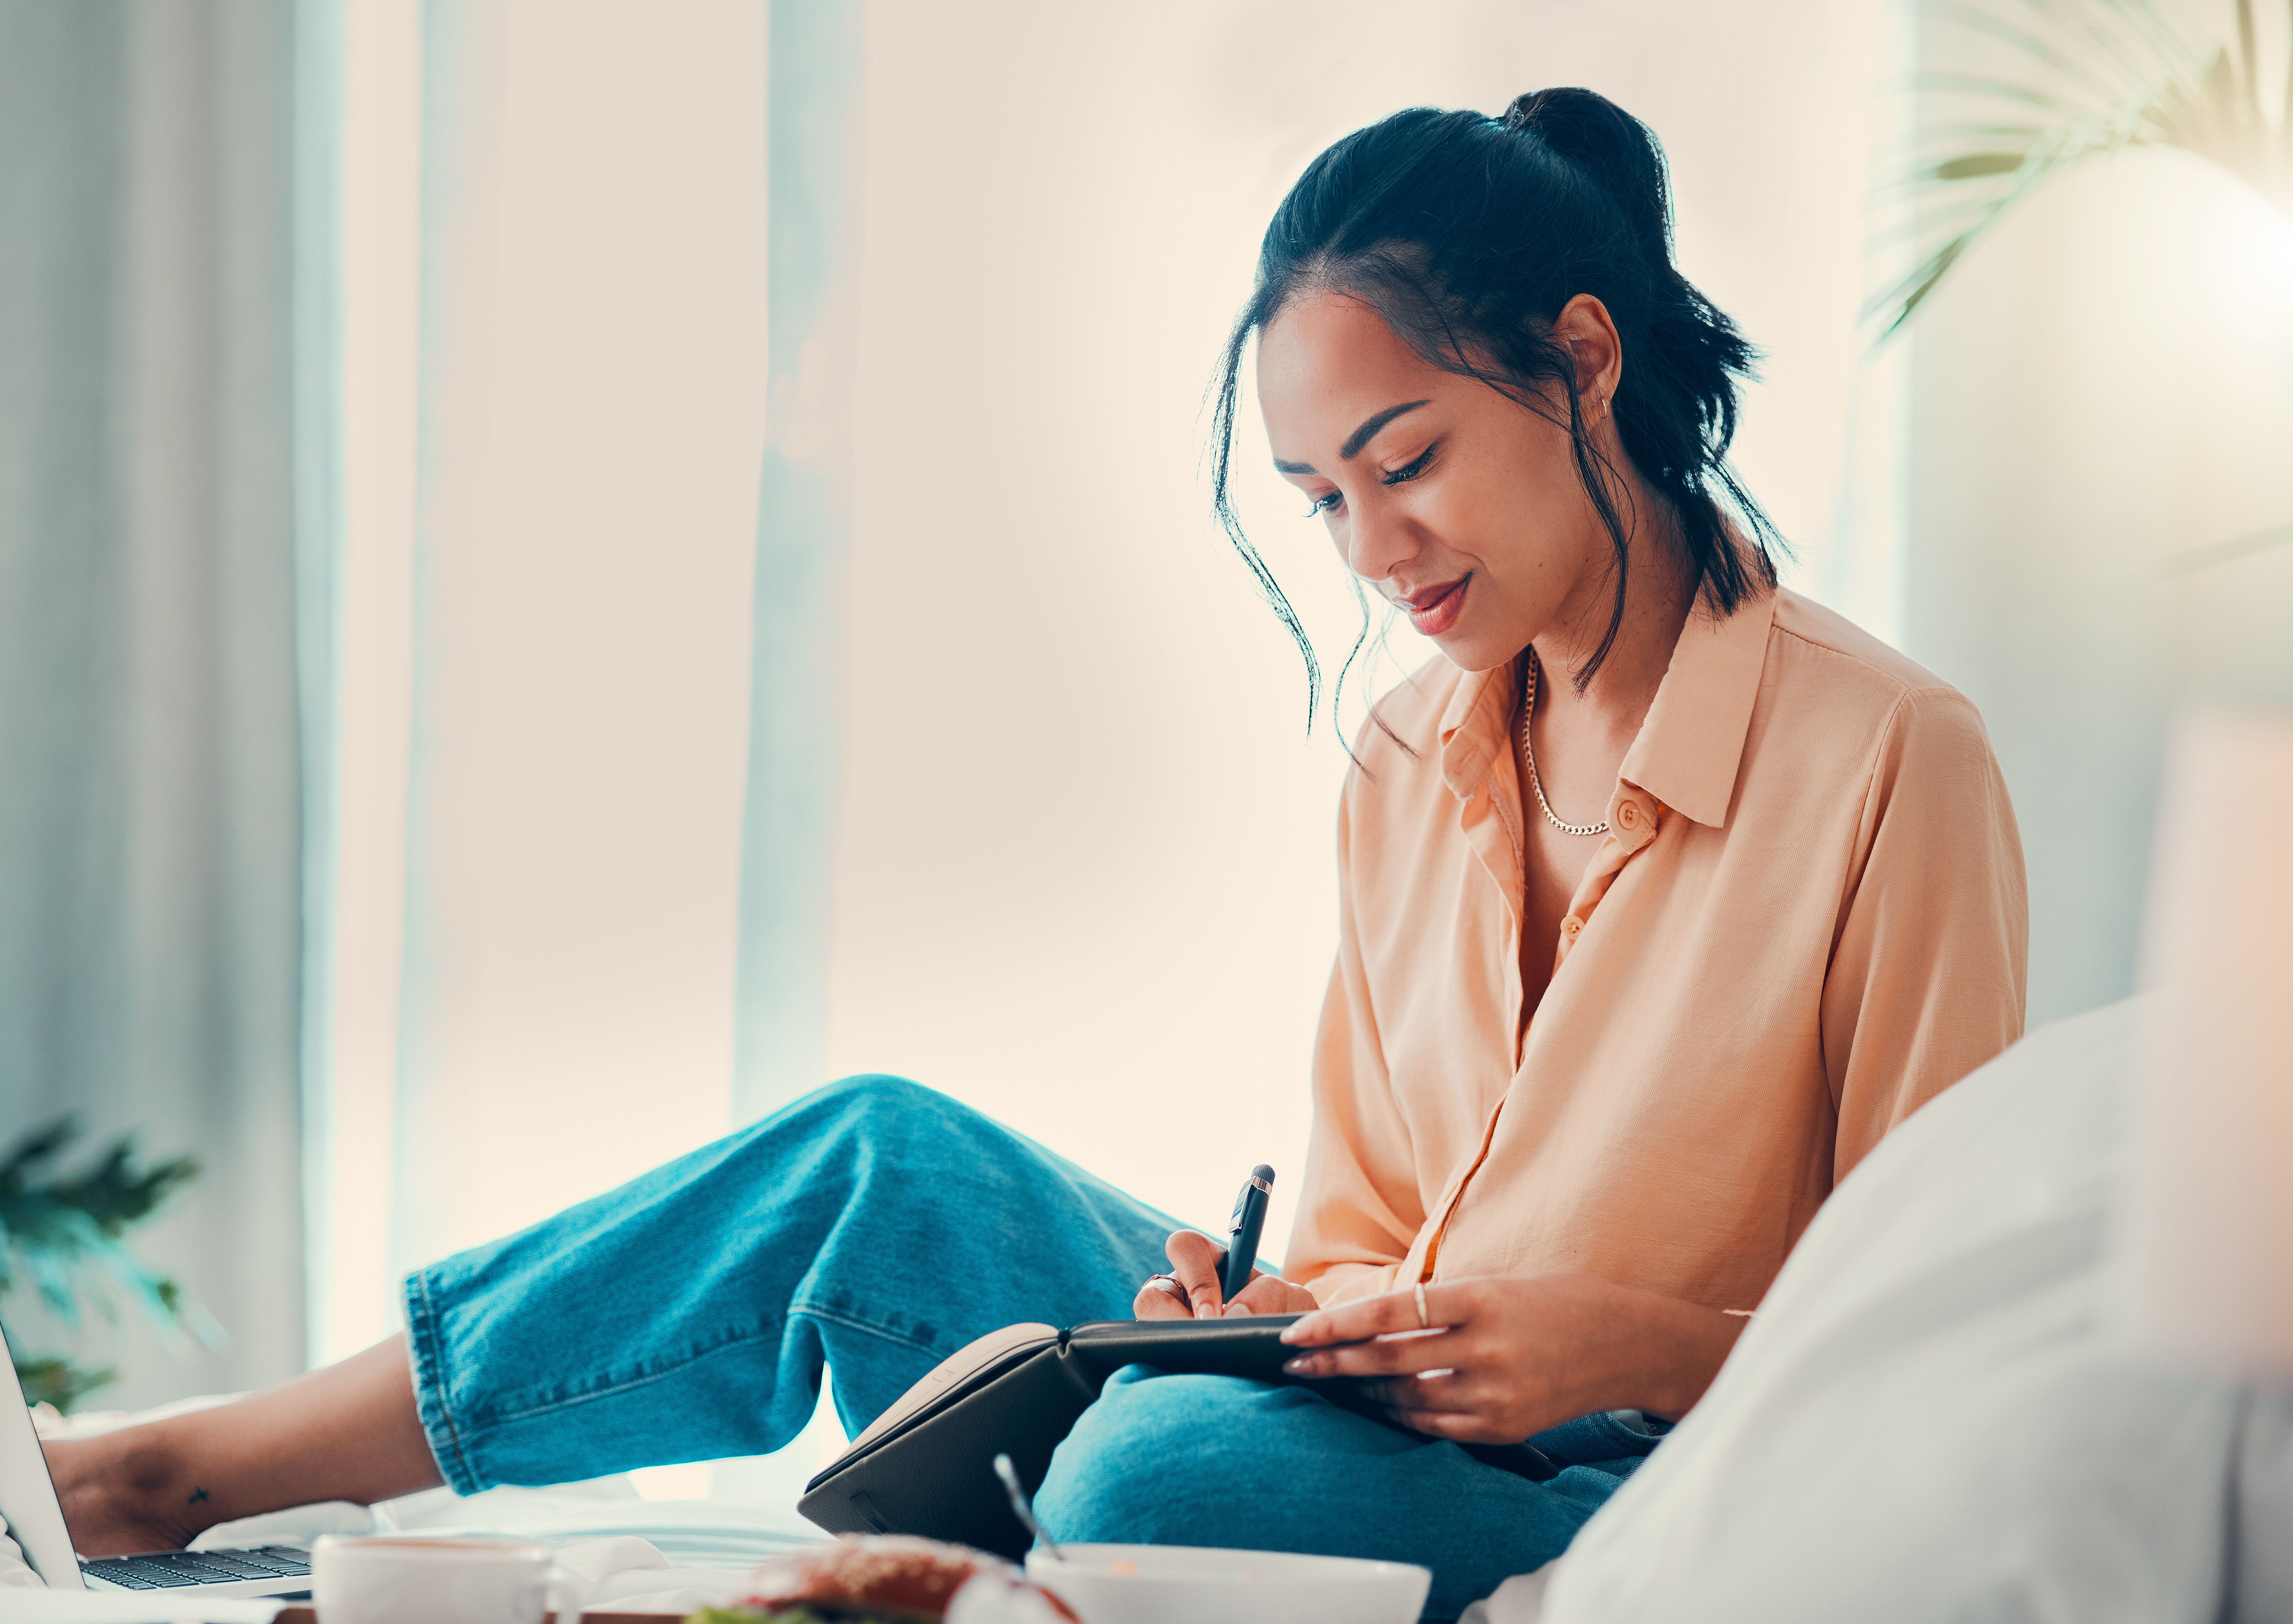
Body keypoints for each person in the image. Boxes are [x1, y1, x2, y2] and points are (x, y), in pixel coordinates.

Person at [43, 88, 2025, 1620]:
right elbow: (1365, 1233)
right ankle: (161, 1479)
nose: (1372, 552)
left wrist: (1625, 1342)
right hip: (1372, 1398)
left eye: (1407, 460)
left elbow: (1947, 1343)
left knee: (1173, 1486)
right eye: (1321, 498)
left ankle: (1162, 1453)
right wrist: (1240, 1306)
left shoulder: (1887, 759)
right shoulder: (1415, 753)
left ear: (1586, 358)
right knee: (882, 1170)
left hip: (1644, 1471)